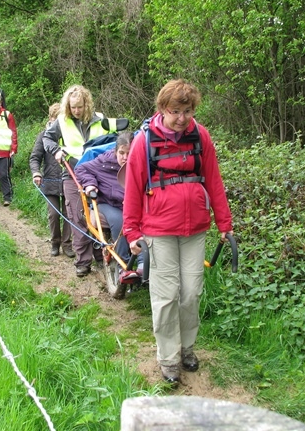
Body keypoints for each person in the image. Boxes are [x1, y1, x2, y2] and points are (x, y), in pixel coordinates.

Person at [122, 79, 233, 386]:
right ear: (162, 109)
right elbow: (133, 187)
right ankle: (168, 358)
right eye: (175, 111)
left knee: (191, 292)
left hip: (195, 228)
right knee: (166, 294)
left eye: (187, 110)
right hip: (159, 229)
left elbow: (214, 180)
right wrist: (131, 230)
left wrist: (225, 224)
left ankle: (187, 347)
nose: (182, 118)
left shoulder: (201, 137)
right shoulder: (144, 141)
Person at [43, 85, 121, 277]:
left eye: (80, 107)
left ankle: (101, 253)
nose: (76, 111)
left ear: (87, 104)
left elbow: (115, 140)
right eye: (73, 107)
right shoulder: (62, 121)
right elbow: (47, 139)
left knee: (97, 216)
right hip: (72, 172)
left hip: (97, 173)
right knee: (78, 216)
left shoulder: (101, 120)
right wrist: (57, 151)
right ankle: (83, 261)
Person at [75, 131, 141, 276]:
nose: (125, 158)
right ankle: (122, 265)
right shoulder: (104, 162)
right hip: (108, 203)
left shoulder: (140, 163)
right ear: (115, 151)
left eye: (129, 153)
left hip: (131, 205)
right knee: (121, 222)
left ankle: (143, 264)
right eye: (121, 153)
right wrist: (90, 184)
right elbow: (81, 169)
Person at [29, 103, 74, 258]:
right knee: (54, 215)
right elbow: (35, 157)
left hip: (69, 182)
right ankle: (55, 242)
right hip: (50, 182)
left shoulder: (71, 135)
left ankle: (67, 244)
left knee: (69, 214)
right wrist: (36, 173)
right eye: (56, 120)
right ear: (51, 119)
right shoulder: (43, 136)